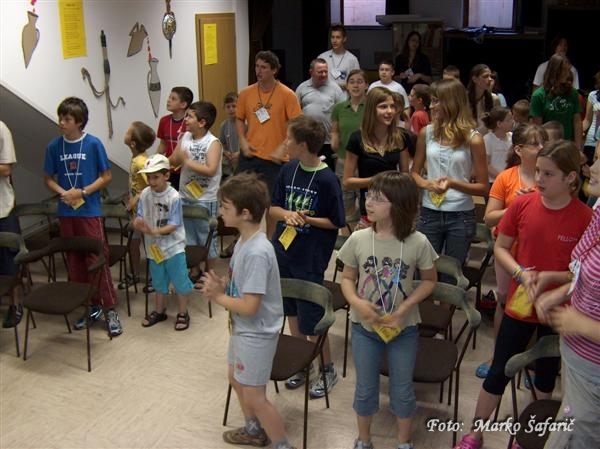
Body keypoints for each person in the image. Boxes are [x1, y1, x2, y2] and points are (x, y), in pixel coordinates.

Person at [453, 140, 593, 449]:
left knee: (545, 375)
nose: (539, 178)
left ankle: (530, 434)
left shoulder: (585, 218)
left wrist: (552, 281)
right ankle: (475, 433)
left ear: (571, 177)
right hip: (521, 303)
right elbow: (502, 248)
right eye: (538, 171)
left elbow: (583, 272)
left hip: (560, 310)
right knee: (500, 369)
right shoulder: (522, 204)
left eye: (548, 174)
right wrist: (521, 274)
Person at [338, 171, 438, 449]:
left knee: (402, 388)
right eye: (369, 196)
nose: (368, 202)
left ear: (399, 204)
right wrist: (357, 302)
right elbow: (347, 278)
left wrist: (405, 307)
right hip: (364, 328)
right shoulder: (359, 238)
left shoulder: (418, 242)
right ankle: (364, 440)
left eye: (378, 199)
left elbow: (430, 281)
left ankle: (403, 441)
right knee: (365, 387)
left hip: (403, 329)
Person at [200, 172, 297, 449]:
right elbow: (243, 288)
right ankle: (254, 431)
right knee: (235, 377)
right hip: (243, 329)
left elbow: (250, 306)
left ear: (244, 213)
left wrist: (218, 296)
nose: (220, 212)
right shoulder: (244, 241)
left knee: (256, 397)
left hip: (256, 333)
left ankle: (282, 444)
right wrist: (226, 285)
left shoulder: (257, 251)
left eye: (224, 207)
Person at [269, 116, 345, 398]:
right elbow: (274, 208)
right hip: (284, 251)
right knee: (290, 308)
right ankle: (303, 364)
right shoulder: (288, 169)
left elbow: (336, 221)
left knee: (311, 316)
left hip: (310, 258)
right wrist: (287, 214)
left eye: (289, 138)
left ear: (302, 144)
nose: (285, 142)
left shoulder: (327, 179)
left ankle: (326, 369)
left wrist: (307, 220)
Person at [534, 152, 600, 449]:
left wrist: (581, 324)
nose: (591, 167)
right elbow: (586, 272)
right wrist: (562, 291)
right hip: (578, 360)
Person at [43, 97, 122, 337]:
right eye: (61, 118)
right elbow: (48, 178)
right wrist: (64, 193)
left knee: (96, 259)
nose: (61, 122)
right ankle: (90, 306)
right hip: (67, 212)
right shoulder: (54, 146)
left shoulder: (93, 144)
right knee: (75, 262)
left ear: (79, 122)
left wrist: (83, 192)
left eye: (67, 119)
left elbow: (106, 176)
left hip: (89, 211)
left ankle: (109, 308)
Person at [474, 123, 548, 379]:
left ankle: (528, 361)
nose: (542, 147)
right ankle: (498, 354)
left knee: (534, 306)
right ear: (518, 149)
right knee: (505, 301)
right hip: (507, 252)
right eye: (535, 144)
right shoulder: (506, 178)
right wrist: (516, 205)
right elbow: (489, 219)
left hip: (539, 253)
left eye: (544, 142)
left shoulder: (550, 178)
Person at [411, 78, 489, 268]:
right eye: (431, 101)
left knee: (451, 273)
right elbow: (414, 173)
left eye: (436, 101)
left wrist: (453, 183)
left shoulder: (474, 139)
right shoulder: (426, 133)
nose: (431, 106)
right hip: (429, 212)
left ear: (452, 102)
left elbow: (483, 188)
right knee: (424, 271)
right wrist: (427, 184)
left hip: (460, 215)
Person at [236, 50, 302, 237]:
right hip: (251, 154)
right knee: (242, 198)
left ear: (274, 70)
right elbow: (239, 118)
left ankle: (270, 241)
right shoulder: (246, 93)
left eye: (264, 67)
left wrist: (284, 146)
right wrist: (242, 141)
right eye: (257, 66)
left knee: (272, 204)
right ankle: (244, 237)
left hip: (275, 159)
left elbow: (297, 123)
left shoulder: (287, 94)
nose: (259, 71)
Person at [133, 154, 194, 330]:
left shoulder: (174, 197)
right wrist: (138, 222)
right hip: (154, 247)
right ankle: (160, 311)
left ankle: (183, 312)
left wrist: (155, 231)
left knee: (180, 280)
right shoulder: (145, 194)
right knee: (158, 281)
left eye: (156, 177)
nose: (151, 182)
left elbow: (174, 224)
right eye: (149, 177)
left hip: (174, 247)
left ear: (166, 175)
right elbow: (140, 215)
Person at [171, 101, 222, 300]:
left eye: (190, 116)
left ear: (202, 122)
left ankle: (211, 276)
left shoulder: (213, 143)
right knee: (189, 237)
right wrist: (166, 160)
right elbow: (174, 159)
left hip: (205, 199)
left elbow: (210, 170)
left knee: (206, 239)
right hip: (185, 196)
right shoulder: (185, 137)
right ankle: (195, 270)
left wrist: (187, 161)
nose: (186, 120)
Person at [343, 87, 410, 230]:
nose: (389, 111)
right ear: (371, 110)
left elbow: (405, 176)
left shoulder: (401, 136)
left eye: (392, 106)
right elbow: (347, 181)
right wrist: (379, 180)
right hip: (369, 209)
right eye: (383, 107)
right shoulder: (357, 138)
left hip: (395, 208)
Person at [331, 69, 369, 227]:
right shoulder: (339, 108)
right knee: (345, 202)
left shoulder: (371, 107)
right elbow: (334, 130)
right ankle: (349, 237)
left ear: (366, 85)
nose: (355, 85)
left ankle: (364, 235)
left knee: (365, 202)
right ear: (346, 86)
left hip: (364, 161)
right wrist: (334, 140)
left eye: (360, 82)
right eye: (352, 82)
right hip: (343, 160)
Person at [295, 57, 346, 171]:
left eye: (325, 71)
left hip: (326, 141)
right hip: (306, 139)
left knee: (326, 170)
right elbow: (294, 112)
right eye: (320, 72)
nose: (323, 74)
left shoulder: (335, 88)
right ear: (311, 72)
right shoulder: (302, 88)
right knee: (306, 169)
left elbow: (342, 114)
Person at [122, 121, 155, 288]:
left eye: (128, 131)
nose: (125, 132)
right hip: (136, 213)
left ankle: (154, 278)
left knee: (150, 245)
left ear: (133, 143)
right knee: (133, 243)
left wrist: (135, 198)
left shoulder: (142, 162)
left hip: (146, 213)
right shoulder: (136, 159)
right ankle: (134, 274)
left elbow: (153, 185)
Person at [530, 54, 583, 148]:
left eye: (568, 70)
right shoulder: (538, 95)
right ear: (555, 71)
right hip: (549, 146)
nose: (567, 74)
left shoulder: (572, 93)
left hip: (568, 145)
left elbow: (577, 121)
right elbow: (537, 127)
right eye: (564, 70)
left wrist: (578, 147)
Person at [0, 121, 23, 328]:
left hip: (2, 208)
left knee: (9, 258)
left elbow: (6, 168)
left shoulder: (1, 129)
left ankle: (15, 305)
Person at [157, 86, 194, 190]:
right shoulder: (164, 121)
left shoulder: (190, 122)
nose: (168, 100)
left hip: (187, 169)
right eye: (169, 97)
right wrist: (155, 160)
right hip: (169, 168)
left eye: (173, 99)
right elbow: (163, 144)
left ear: (183, 104)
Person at [318, 23, 361, 91]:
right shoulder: (322, 57)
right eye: (332, 37)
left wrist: (346, 86)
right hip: (326, 95)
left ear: (344, 39)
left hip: (344, 95)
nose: (334, 41)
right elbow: (316, 79)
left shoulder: (352, 59)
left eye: (338, 37)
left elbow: (357, 82)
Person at [481, 106, 514, 184]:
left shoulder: (512, 137)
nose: (513, 122)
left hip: (510, 180)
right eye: (509, 120)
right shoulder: (488, 139)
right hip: (493, 181)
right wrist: (501, 177)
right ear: (499, 124)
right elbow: (486, 164)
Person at [467, 64, 501, 134]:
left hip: (487, 137)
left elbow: (497, 123)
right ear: (474, 79)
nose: (490, 79)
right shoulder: (464, 99)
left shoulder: (494, 99)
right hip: (469, 136)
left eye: (490, 76)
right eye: (485, 76)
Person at [219, 91, 241, 181]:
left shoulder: (246, 123)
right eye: (228, 107)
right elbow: (222, 143)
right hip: (230, 162)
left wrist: (239, 153)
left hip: (244, 161)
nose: (231, 109)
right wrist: (225, 152)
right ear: (224, 108)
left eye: (234, 106)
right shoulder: (224, 125)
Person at [582, 71, 600, 168]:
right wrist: (578, 132)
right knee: (587, 172)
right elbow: (587, 120)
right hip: (591, 143)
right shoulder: (593, 95)